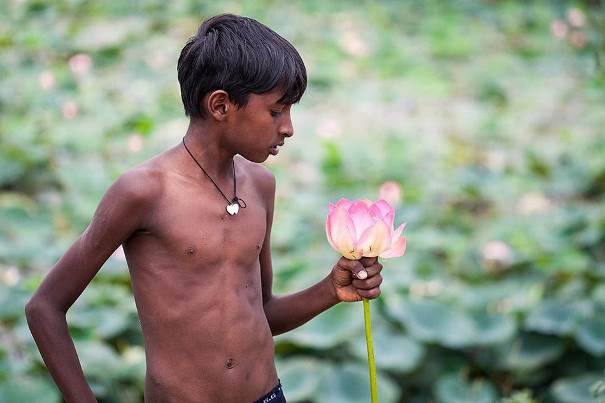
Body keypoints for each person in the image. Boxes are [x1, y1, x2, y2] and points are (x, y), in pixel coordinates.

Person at [25, 13, 383, 403]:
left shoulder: (260, 185)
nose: (289, 128)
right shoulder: (144, 192)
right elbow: (44, 307)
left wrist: (331, 289)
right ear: (220, 106)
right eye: (276, 111)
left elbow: (261, 313)